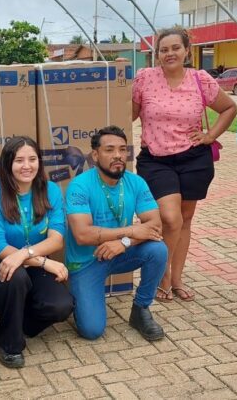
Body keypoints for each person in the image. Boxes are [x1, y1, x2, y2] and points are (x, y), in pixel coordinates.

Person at [132, 27, 237, 302]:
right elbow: (128, 115)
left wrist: (210, 136)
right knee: (170, 218)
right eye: (164, 49)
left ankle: (177, 278)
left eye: (175, 48)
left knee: (185, 220)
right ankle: (162, 276)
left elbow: (229, 108)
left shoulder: (200, 79)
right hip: (155, 160)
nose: (170, 54)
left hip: (194, 159)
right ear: (157, 54)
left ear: (187, 51)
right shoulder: (145, 79)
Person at [65, 125, 168, 341]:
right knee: (92, 330)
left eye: (122, 149)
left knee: (158, 250)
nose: (118, 155)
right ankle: (81, 298)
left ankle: (141, 309)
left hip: (119, 253)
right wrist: (131, 230)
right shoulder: (79, 186)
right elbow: (82, 235)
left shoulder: (135, 182)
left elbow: (155, 227)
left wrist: (124, 243)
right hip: (87, 261)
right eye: (109, 150)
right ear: (95, 155)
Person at [0, 136, 73, 368]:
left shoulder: (50, 190)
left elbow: (56, 239)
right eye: (19, 160)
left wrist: (24, 255)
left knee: (61, 306)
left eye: (32, 159)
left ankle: (19, 322)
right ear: (7, 163)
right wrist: (44, 262)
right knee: (16, 276)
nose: (27, 166)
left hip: (30, 260)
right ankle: (9, 344)